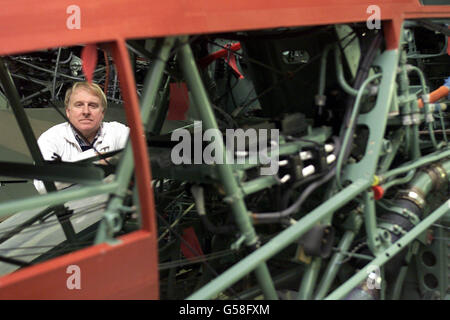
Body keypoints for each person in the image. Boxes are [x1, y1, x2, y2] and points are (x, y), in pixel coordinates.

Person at [33, 82, 129, 194]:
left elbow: (144, 154)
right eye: (79, 105)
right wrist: (97, 160)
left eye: (93, 105)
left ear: (102, 113)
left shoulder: (117, 131)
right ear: (68, 112)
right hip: (68, 206)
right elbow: (42, 185)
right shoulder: (50, 138)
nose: (86, 112)